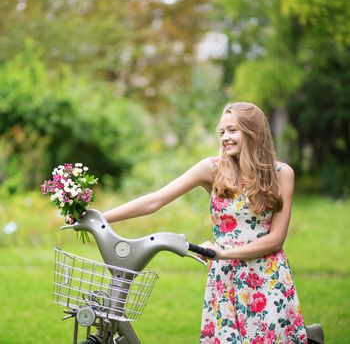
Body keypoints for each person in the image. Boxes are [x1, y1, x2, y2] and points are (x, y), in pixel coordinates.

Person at [67, 102, 308, 343]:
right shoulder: (213, 169)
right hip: (226, 278)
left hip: (268, 278)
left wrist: (224, 253)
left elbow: (276, 239)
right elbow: (155, 200)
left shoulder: (281, 174)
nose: (225, 137)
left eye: (233, 130)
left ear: (253, 131)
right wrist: (98, 216)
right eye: (222, 132)